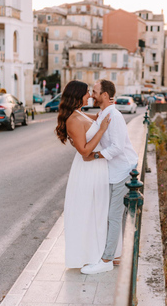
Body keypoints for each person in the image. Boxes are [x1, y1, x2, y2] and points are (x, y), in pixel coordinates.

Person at [79, 79, 138, 275]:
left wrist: (94, 155)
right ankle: (115, 253)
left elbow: (118, 147)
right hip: (113, 171)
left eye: (95, 92)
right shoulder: (104, 113)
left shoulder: (115, 116)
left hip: (124, 170)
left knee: (113, 215)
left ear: (105, 95)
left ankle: (107, 260)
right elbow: (93, 120)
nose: (92, 95)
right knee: (110, 215)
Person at [55, 80, 112, 269]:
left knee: (97, 211)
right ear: (78, 95)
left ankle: (101, 251)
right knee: (88, 212)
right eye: (87, 93)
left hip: (97, 169)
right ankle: (88, 255)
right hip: (88, 170)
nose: (90, 96)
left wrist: (107, 106)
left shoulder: (79, 113)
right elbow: (85, 151)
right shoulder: (72, 120)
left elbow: (96, 116)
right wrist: (102, 129)